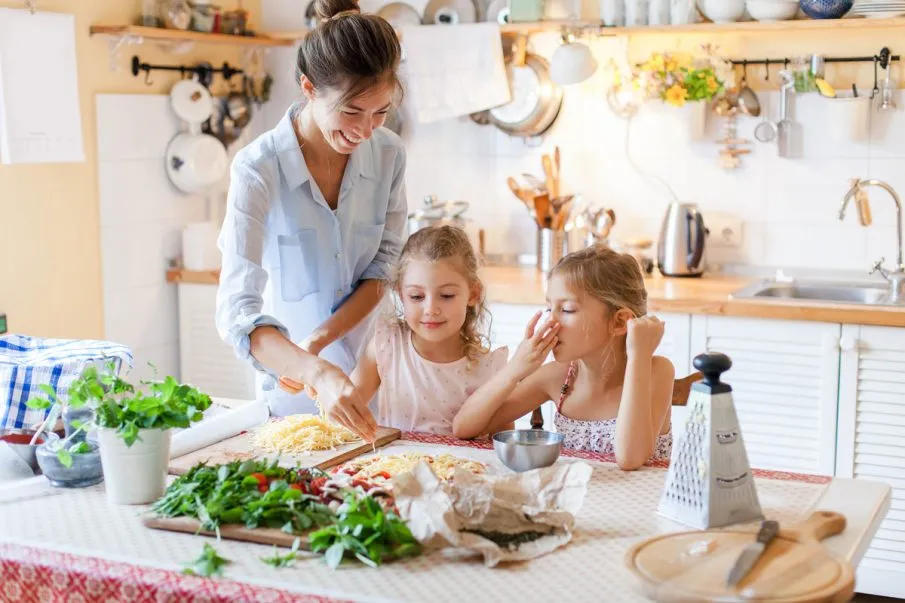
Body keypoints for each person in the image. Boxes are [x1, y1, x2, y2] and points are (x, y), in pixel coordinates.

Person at [215, 0, 405, 441]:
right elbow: (237, 312)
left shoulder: (390, 154)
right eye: (352, 112)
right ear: (308, 87)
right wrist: (315, 369)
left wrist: (319, 339)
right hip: (290, 401)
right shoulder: (257, 168)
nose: (366, 131)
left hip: (373, 384)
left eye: (381, 111)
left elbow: (384, 268)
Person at [453, 245, 675, 470]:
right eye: (549, 308)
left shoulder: (656, 371)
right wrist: (515, 369)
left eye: (567, 310)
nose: (550, 322)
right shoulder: (559, 377)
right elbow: (465, 428)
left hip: (641, 503)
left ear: (619, 322)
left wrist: (639, 354)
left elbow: (630, 458)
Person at [346, 225, 509, 434]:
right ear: (401, 294)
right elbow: (347, 408)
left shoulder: (491, 369)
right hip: (393, 466)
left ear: (473, 293)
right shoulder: (387, 344)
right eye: (417, 297)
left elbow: (501, 448)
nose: (431, 309)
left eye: (447, 295)